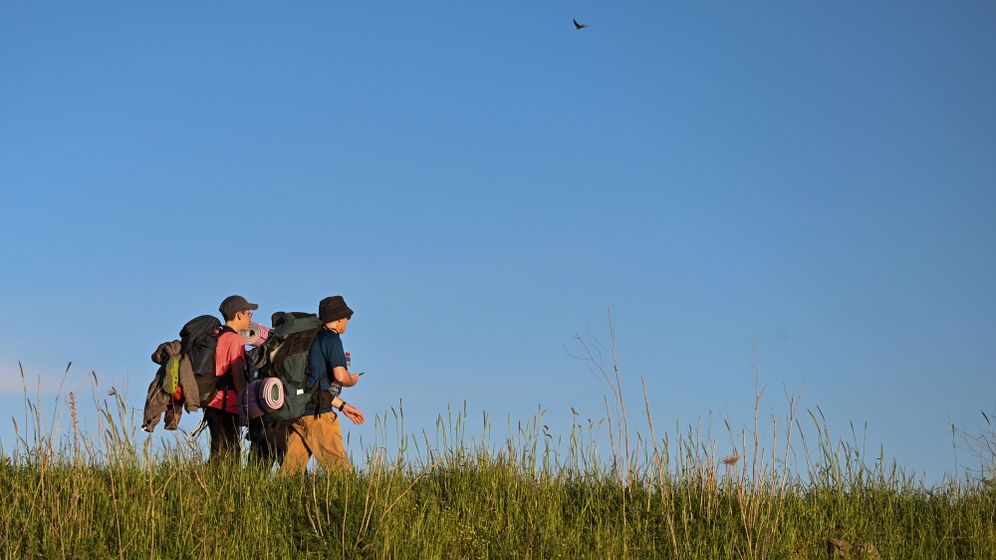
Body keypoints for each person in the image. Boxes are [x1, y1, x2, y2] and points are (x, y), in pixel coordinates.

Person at [281, 295, 365, 474]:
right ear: (339, 318)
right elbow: (340, 377)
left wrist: (343, 406)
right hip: (319, 416)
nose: (348, 321)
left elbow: (315, 385)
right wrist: (352, 380)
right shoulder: (331, 339)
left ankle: (280, 493)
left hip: (298, 411)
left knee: (290, 472)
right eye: (347, 318)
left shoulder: (309, 339)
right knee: (339, 470)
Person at [206, 294, 256, 462]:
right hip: (227, 404)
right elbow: (238, 377)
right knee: (229, 457)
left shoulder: (217, 336)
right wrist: (247, 404)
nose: (250, 317)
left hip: (212, 402)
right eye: (249, 313)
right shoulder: (235, 339)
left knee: (219, 453)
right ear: (239, 315)